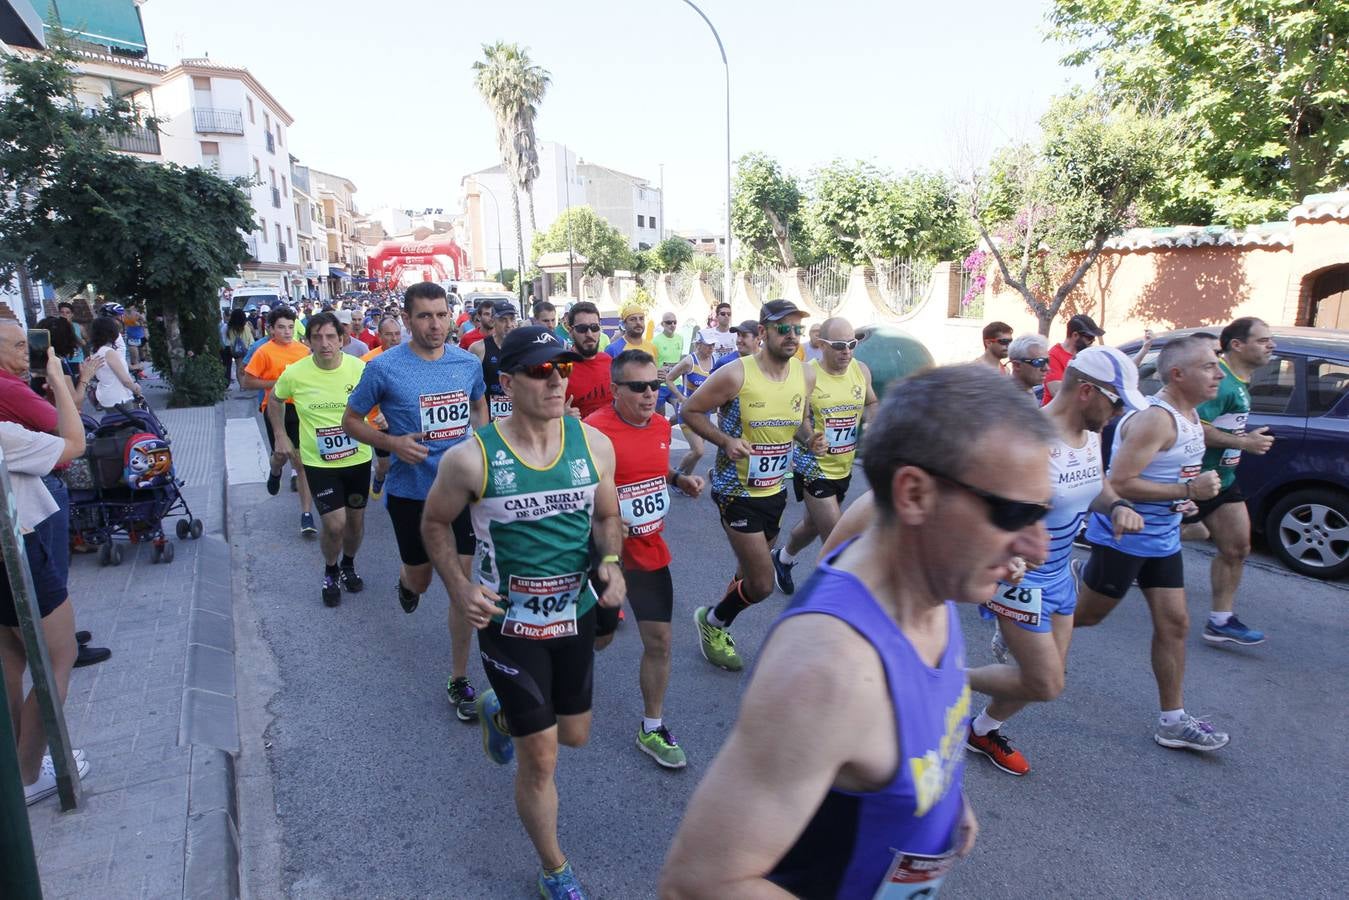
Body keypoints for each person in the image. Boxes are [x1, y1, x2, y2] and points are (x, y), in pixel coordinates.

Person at [661, 365, 1056, 897]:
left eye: (1043, 515)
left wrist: (939, 798)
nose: (1039, 548)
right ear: (915, 495)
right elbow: (700, 885)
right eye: (1012, 513)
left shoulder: (927, 577)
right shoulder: (830, 670)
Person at [420, 325, 624, 899]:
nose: (556, 379)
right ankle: (555, 868)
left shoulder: (593, 445)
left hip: (574, 613)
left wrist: (610, 561)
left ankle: (501, 713)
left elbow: (608, 517)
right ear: (507, 382)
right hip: (508, 623)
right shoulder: (471, 457)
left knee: (575, 735)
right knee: (543, 754)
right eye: (540, 370)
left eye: (562, 368)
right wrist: (459, 588)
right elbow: (435, 524)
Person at [966, 347, 1146, 776]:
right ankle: (937, 678)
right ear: (1086, 391)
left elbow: (1094, 484)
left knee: (1044, 676)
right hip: (1020, 577)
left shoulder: (1091, 433)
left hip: (1061, 573)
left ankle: (982, 731)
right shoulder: (1029, 438)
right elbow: (981, 508)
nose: (1119, 412)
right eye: (1116, 401)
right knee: (1045, 682)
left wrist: (1117, 505)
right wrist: (1001, 555)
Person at [1075, 334, 1230, 751]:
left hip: (1162, 540)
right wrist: (1187, 492)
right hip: (1124, 539)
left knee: (1176, 624)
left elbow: (1169, 476)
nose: (1219, 373)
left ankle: (1173, 721)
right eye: (1209, 366)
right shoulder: (1156, 419)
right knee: (1085, 618)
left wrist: (1185, 499)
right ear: (1178, 374)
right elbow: (1119, 483)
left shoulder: (1192, 416)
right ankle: (1022, 620)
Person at [342, 283, 488, 721]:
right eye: (424, 316)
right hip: (412, 495)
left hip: (460, 493)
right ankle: (407, 584)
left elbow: (479, 406)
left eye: (442, 315)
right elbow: (350, 420)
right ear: (407, 320)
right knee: (422, 580)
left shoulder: (466, 362)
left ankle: (459, 677)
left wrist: (480, 445)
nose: (435, 324)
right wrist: (391, 443)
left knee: (462, 587)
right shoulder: (384, 368)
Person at [681, 299, 820, 672]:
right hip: (735, 491)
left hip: (773, 489)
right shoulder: (735, 374)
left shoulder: (806, 375)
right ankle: (712, 623)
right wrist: (725, 442)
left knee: (746, 574)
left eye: (797, 329)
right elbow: (690, 411)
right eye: (783, 329)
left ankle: (723, 616)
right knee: (761, 584)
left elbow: (800, 419)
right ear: (763, 333)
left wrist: (809, 439)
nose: (792, 336)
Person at [585, 349, 705, 769]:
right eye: (638, 387)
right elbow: (572, 494)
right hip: (605, 556)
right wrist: (611, 518)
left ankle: (651, 726)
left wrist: (678, 479)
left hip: (650, 552)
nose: (650, 393)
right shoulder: (593, 431)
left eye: (655, 384)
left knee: (661, 641)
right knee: (599, 639)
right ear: (615, 389)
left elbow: (649, 471)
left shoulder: (658, 425)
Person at [1, 347, 93, 805]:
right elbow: (72, 445)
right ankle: (29, 771)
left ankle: (18, 760)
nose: (27, 350)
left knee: (11, 663)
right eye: (17, 344)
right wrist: (58, 378)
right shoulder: (4, 433)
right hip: (14, 552)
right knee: (58, 658)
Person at [1183, 317, 1275, 646]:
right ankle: (1108, 551)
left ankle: (1220, 620)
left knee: (1237, 548)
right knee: (1145, 539)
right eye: (1263, 340)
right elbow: (1196, 427)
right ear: (1237, 345)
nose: (1271, 346)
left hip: (1224, 480)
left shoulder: (1239, 381)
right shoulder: (1219, 381)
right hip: (1194, 479)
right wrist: (1244, 443)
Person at [269, 313, 372, 607]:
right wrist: (280, 435)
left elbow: (379, 399)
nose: (325, 344)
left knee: (355, 523)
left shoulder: (359, 368)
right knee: (335, 524)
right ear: (308, 341)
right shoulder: (296, 373)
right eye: (318, 337)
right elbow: (275, 401)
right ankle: (330, 571)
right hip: (319, 463)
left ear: (342, 339)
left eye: (331, 337)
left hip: (358, 458)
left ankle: (349, 564)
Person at [771, 316, 878, 593]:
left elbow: (872, 401)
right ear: (821, 344)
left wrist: (874, 425)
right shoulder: (806, 375)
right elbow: (794, 418)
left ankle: (782, 558)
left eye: (852, 344)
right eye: (840, 345)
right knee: (838, 539)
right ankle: (832, 607)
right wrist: (809, 438)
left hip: (843, 466)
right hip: (813, 467)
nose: (847, 351)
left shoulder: (861, 370)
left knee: (811, 525)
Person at [242, 306, 316, 536]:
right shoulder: (264, 352)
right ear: (271, 329)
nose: (287, 332)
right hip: (275, 407)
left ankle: (306, 515)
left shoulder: (304, 351)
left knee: (301, 462)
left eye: (291, 327)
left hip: (300, 409)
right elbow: (248, 382)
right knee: (282, 454)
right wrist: (277, 384)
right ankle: (275, 470)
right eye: (281, 327)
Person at [663, 330, 716, 478]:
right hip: (687, 412)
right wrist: (680, 397)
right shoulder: (689, 361)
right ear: (698, 345)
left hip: (704, 413)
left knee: (697, 453)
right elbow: (669, 378)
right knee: (698, 450)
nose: (711, 348)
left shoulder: (715, 360)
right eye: (707, 345)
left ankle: (684, 480)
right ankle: (676, 476)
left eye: (713, 345)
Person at [360, 316, 402, 498]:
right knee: (385, 464)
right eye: (388, 335)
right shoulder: (368, 361)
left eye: (397, 334)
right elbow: (362, 393)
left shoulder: (409, 355)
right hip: (377, 421)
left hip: (403, 419)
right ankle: (379, 476)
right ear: (379, 336)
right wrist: (382, 411)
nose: (394, 339)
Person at [470, 299, 520, 420]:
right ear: (493, 321)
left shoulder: (524, 347)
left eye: (512, 319)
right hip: (489, 418)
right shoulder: (478, 348)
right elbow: (470, 389)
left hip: (519, 417)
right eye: (503, 320)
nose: (509, 325)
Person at [562, 301, 613, 418]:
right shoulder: (561, 368)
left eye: (594, 328)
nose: (589, 334)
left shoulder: (608, 361)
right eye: (582, 328)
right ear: (570, 332)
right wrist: (562, 417)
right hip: (580, 434)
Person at [1042, 313, 1105, 404]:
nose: (1092, 341)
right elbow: (1057, 391)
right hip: (1057, 416)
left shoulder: (1085, 355)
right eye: (1089, 337)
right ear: (1075, 335)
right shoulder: (1053, 356)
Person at [88, 316, 143, 410]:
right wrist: (136, 389)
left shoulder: (96, 353)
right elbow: (125, 380)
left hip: (106, 397)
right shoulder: (109, 353)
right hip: (119, 397)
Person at [1007, 333, 1050, 399]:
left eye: (1047, 361)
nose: (1046, 368)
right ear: (1017, 365)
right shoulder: (1007, 398)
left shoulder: (1027, 391)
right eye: (1039, 362)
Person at [220, 309, 253, 388]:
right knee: (246, 367)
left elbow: (225, 340)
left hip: (235, 350)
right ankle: (245, 384)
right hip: (246, 349)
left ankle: (242, 385)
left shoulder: (229, 328)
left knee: (239, 366)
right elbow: (250, 339)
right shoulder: (246, 327)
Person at [121, 301, 148, 376]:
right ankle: (137, 373)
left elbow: (146, 324)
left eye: (131, 305)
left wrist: (139, 323)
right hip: (131, 338)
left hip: (141, 337)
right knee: (134, 356)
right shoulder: (123, 314)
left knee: (142, 356)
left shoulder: (138, 313)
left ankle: (140, 369)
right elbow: (122, 325)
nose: (129, 307)